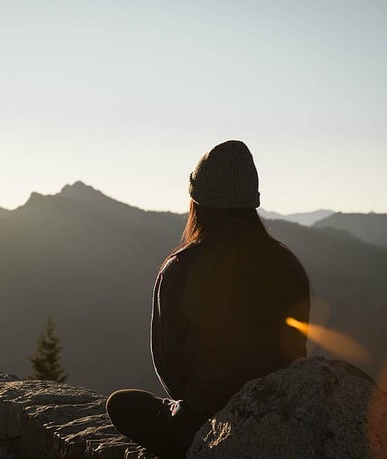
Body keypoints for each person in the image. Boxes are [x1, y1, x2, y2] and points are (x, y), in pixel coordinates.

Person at [106, 140, 310, 458]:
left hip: (207, 422)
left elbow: (170, 366)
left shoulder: (180, 269)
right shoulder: (287, 264)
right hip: (278, 414)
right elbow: (297, 351)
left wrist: (193, 405)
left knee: (122, 404)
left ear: (198, 201)